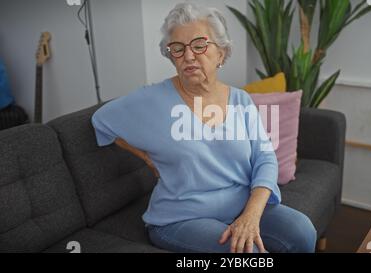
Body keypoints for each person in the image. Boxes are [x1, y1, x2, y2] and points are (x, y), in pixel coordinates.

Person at [91, 2, 316, 253]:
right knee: (243, 253)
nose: (188, 56)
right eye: (178, 48)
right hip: (180, 218)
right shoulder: (151, 100)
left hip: (241, 205)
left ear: (221, 53)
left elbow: (265, 157)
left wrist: (251, 215)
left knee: (302, 231)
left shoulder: (240, 99)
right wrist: (145, 157)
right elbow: (101, 120)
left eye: (199, 45)